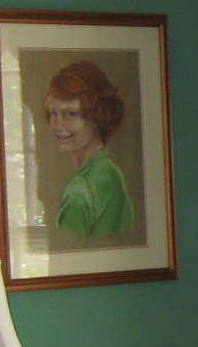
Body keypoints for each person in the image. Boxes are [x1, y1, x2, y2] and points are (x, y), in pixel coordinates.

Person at [44, 61, 134, 240]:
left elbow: (71, 246)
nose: (57, 126)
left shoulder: (80, 188)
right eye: (53, 114)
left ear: (96, 116)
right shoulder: (111, 170)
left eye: (71, 114)